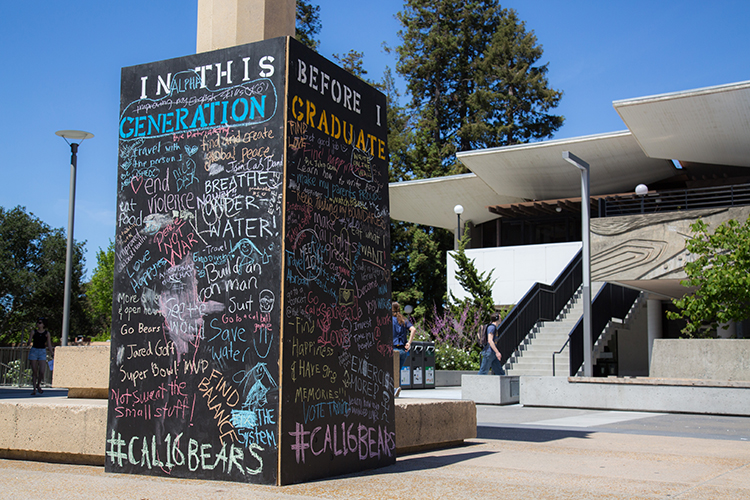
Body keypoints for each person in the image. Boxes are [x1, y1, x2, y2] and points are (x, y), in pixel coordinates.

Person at [392, 302, 416, 397]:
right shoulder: (403, 320)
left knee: (391, 370)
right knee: (397, 370)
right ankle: (396, 388)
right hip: (402, 350)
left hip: (393, 349)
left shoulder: (388, 320)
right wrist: (409, 343)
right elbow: (413, 329)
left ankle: (394, 388)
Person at [27, 317, 53, 395]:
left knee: (42, 371)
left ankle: (38, 385)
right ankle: (34, 389)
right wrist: (28, 342)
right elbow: (30, 341)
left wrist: (51, 352)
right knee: (34, 371)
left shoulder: (46, 333)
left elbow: (49, 344)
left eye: (40, 322)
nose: (38, 324)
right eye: (37, 322)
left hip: (42, 351)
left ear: (43, 324)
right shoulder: (33, 332)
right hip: (34, 351)